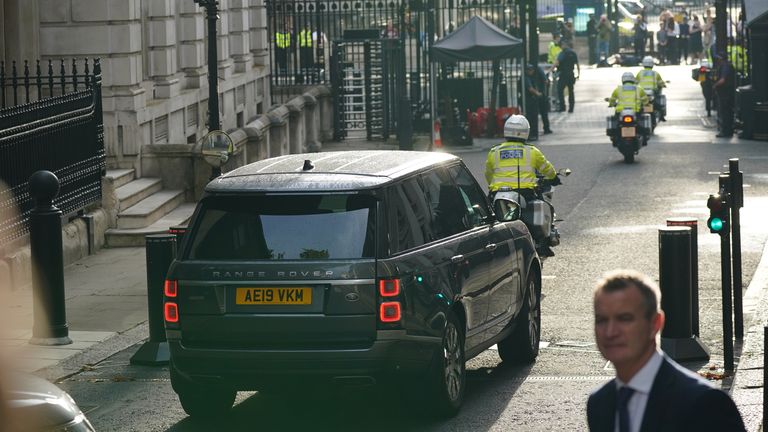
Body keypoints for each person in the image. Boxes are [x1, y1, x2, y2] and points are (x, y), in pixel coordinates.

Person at [587, 269, 746, 432]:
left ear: (655, 323)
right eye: (602, 320)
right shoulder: (599, 403)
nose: (610, 331)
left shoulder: (704, 403)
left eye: (625, 319)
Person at [485, 115, 557, 196]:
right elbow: (547, 168)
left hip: (498, 192)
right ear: (526, 132)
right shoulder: (532, 151)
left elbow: (488, 174)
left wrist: (493, 185)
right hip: (525, 192)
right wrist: (554, 177)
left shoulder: (494, 151)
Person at [524, 64, 553, 139]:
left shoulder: (529, 75)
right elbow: (546, 81)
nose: (532, 71)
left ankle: (534, 132)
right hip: (539, 95)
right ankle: (545, 129)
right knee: (542, 113)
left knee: (534, 114)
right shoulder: (538, 70)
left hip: (537, 96)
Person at [635, 56, 666, 121]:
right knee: (659, 103)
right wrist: (663, 85)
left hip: (642, 93)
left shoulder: (640, 73)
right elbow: (660, 83)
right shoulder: (655, 73)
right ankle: (662, 116)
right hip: (653, 92)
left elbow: (635, 82)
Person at [713, 52, 735, 138]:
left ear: (721, 59)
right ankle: (728, 130)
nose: (717, 60)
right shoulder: (727, 65)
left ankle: (725, 131)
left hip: (725, 93)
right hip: (727, 92)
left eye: (718, 58)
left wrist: (715, 85)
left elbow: (722, 80)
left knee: (725, 112)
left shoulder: (725, 66)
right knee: (727, 112)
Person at [554, 41, 579, 113]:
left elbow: (557, 62)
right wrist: (578, 74)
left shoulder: (563, 53)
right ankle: (571, 108)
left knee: (560, 90)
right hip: (571, 74)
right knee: (571, 91)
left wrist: (550, 70)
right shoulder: (573, 53)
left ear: (562, 45)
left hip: (563, 75)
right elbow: (577, 64)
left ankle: (563, 107)